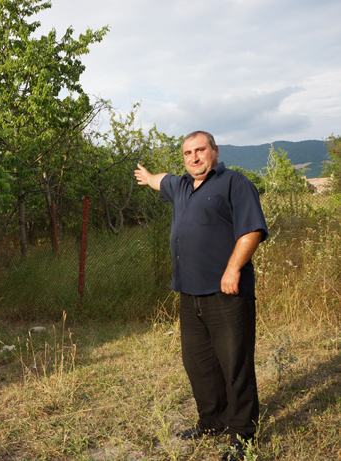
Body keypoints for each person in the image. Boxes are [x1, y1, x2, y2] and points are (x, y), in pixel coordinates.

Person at [134, 131, 268, 461]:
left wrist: (233, 269)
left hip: (226, 292)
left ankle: (243, 434)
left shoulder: (234, 183)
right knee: (199, 365)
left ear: (214, 151)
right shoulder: (180, 186)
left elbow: (252, 230)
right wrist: (150, 178)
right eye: (187, 153)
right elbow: (161, 181)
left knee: (234, 364)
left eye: (200, 150)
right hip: (189, 293)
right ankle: (211, 420)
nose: (194, 157)